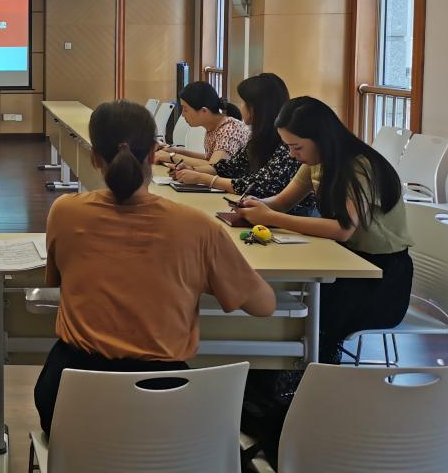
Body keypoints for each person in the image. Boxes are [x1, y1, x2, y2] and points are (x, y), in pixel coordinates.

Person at [34, 100, 275, 435]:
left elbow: (58, 280)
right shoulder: (196, 226)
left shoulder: (64, 212)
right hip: (164, 408)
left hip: (70, 402)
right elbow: (264, 306)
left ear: (94, 157)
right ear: (152, 154)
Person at [234, 96, 413, 364]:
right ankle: (279, 370)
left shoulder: (360, 166)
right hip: (346, 262)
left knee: (311, 313)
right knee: (291, 299)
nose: (292, 155)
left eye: (297, 147)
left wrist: (270, 217)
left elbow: (343, 229)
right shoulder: (316, 162)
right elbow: (281, 202)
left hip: (379, 277)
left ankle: (301, 374)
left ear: (321, 138)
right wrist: (256, 204)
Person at [170, 73, 319, 215]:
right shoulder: (260, 138)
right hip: (267, 212)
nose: (240, 107)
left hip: (293, 217)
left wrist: (203, 178)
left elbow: (260, 186)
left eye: (243, 102)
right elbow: (231, 167)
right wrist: (194, 170)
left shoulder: (287, 143)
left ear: (256, 108)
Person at [155, 80, 249, 168]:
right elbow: (209, 158)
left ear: (204, 111)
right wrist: (174, 151)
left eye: (185, 109)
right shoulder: (214, 127)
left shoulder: (229, 129)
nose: (182, 114)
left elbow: (214, 166)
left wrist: (170, 157)